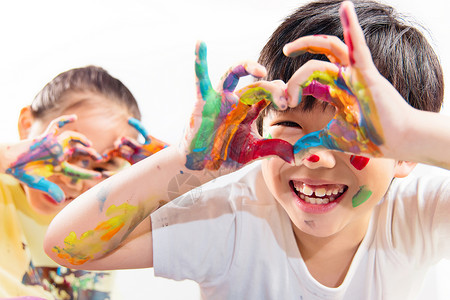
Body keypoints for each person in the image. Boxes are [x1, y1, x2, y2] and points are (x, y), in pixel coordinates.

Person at [44, 1, 450, 299]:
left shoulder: (418, 213)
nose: (315, 156)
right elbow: (69, 246)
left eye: (356, 136)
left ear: (405, 153)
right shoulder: (231, 215)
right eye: (290, 125)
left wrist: (413, 132)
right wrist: (191, 165)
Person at [0, 65, 167, 299]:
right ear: (27, 126)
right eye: (64, 155)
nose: (75, 182)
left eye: (100, 167)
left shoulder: (113, 219)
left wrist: (174, 171)